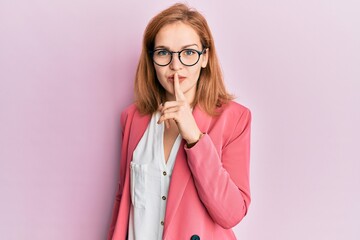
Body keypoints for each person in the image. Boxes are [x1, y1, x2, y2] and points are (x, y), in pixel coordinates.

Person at [108, 3, 251, 240]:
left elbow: (231, 214)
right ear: (152, 60)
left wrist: (194, 137)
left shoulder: (234, 119)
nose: (176, 65)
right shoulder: (132, 118)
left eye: (188, 52)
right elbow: (123, 199)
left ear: (205, 57)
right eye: (163, 52)